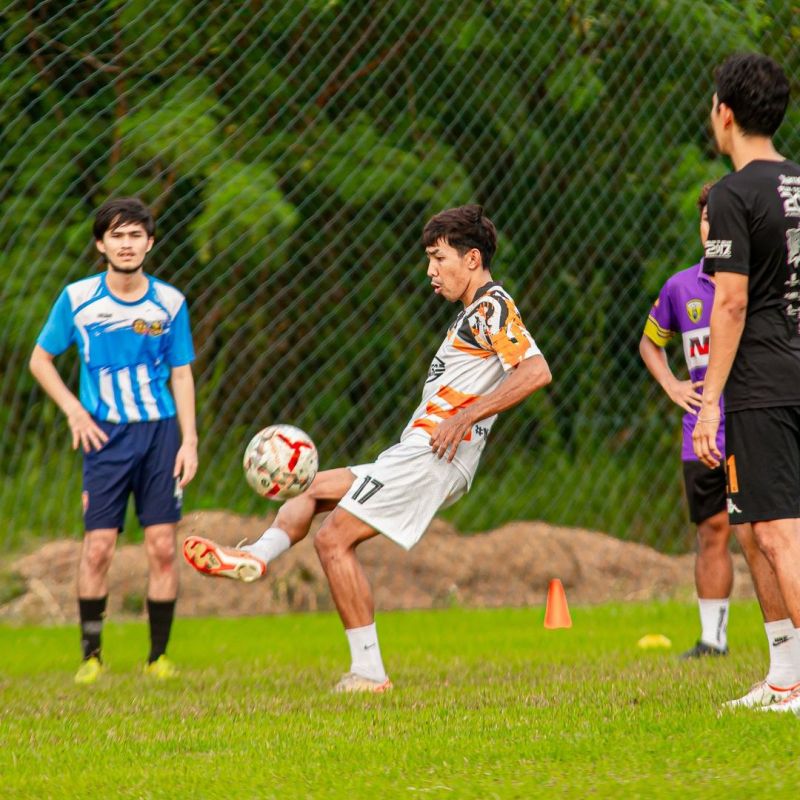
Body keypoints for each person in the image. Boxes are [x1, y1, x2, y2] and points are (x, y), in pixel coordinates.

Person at [183, 204, 552, 692]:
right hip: (417, 452)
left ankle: (369, 673)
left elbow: (535, 371)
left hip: (433, 456)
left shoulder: (492, 307)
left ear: (472, 258)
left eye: (438, 258)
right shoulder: (472, 314)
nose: (430, 271)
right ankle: (257, 558)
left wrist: (464, 416)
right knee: (308, 490)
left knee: (333, 539)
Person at [29, 197, 198, 684]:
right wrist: (74, 410)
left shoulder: (170, 302)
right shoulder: (78, 299)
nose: (127, 244)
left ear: (150, 242)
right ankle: (91, 658)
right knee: (98, 547)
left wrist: (189, 441)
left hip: (160, 434)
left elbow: (182, 374)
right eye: (117, 236)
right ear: (101, 244)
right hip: (104, 438)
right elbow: (41, 359)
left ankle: (158, 657)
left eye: (135, 235)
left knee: (163, 546)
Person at [693, 53, 800, 712]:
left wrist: (708, 407)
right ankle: (785, 677)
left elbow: (729, 305)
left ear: (724, 114)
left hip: (763, 379)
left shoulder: (733, 195)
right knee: (758, 529)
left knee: (780, 534)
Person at [640, 182, 734, 658]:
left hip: (753, 424)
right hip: (700, 431)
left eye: (719, 220)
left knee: (765, 534)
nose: (710, 228)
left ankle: (785, 643)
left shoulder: (758, 285)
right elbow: (648, 343)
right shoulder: (681, 287)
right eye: (704, 219)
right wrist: (673, 385)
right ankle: (712, 640)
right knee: (711, 530)